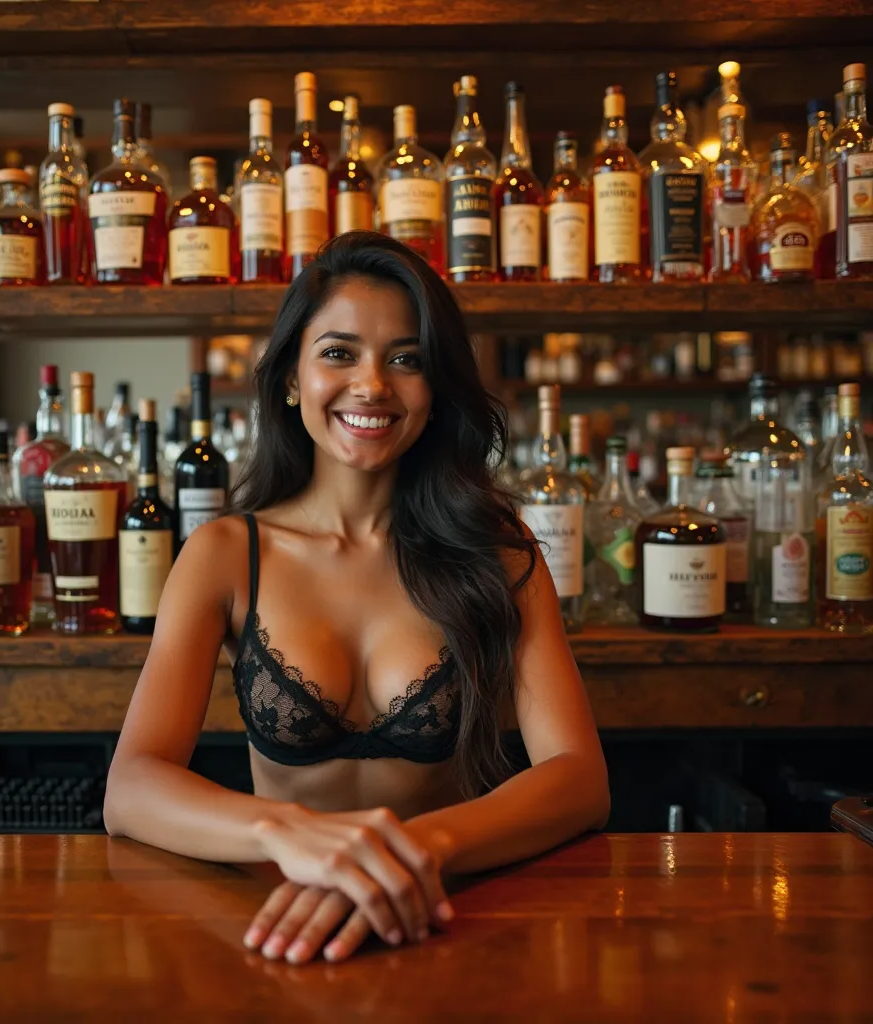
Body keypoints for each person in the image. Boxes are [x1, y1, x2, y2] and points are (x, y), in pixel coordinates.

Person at [104, 231, 609, 965]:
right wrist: (287, 833)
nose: (372, 384)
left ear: (435, 391)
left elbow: (579, 778)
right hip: (281, 928)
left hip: (445, 918)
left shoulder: (498, 549)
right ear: (290, 379)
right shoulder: (225, 554)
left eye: (406, 359)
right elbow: (130, 788)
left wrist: (410, 849)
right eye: (339, 353)